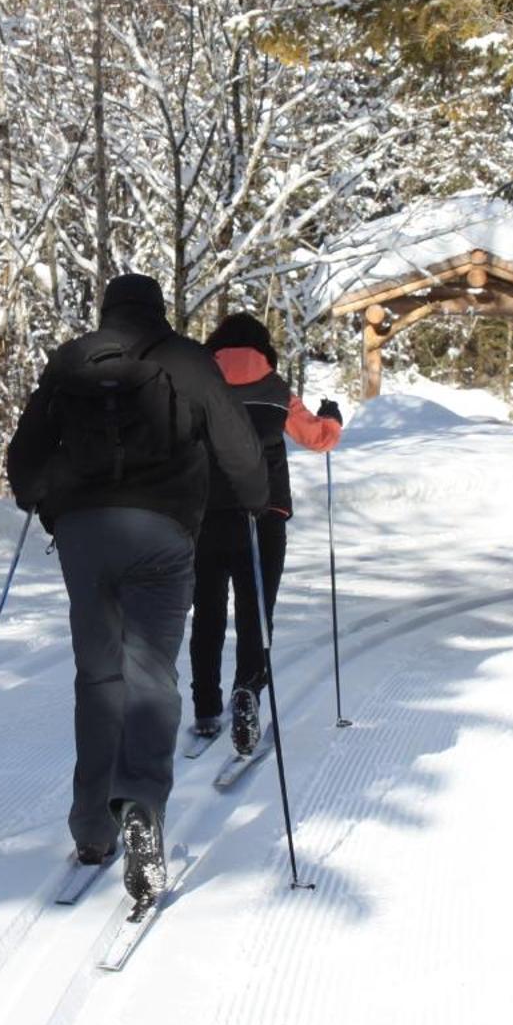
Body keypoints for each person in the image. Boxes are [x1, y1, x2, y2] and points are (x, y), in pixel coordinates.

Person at [5, 273, 267, 906]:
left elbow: (21, 466)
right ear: (160, 311)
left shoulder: (71, 364)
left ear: (105, 312)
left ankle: (93, 830)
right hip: (163, 534)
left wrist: (51, 505)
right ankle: (141, 803)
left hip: (84, 537)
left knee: (98, 678)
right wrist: (257, 500)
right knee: (152, 675)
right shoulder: (187, 361)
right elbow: (238, 447)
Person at [188, 312, 342, 756]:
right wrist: (331, 418)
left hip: (205, 515)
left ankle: (204, 708)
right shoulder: (276, 391)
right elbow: (318, 439)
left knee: (208, 612)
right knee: (257, 612)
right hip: (264, 515)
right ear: (262, 349)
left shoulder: (198, 387)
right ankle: (248, 693)